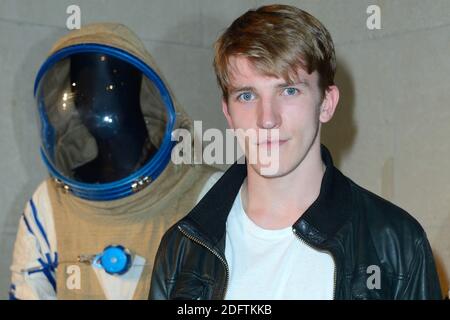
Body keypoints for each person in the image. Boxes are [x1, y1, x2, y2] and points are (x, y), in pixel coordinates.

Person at [149, 4, 442, 300]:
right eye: (247, 95)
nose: (267, 119)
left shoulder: (396, 242)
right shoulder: (182, 247)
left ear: (326, 103)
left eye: (289, 91)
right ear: (228, 111)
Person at [9, 23, 220, 299]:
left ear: (137, 88)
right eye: (80, 87)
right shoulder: (48, 205)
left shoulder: (209, 194)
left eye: (107, 82)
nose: (91, 99)